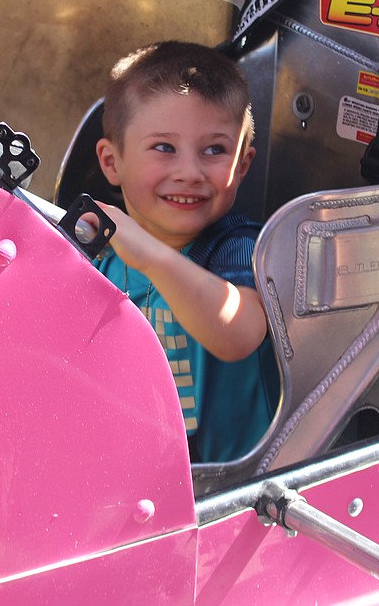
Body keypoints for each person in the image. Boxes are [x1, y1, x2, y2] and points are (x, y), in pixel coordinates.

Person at [93, 41, 279, 463]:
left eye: (215, 150)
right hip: (131, 465)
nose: (190, 173)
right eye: (164, 148)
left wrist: (150, 257)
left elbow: (240, 332)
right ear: (112, 161)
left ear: (242, 165)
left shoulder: (237, 246)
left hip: (231, 487)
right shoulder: (99, 249)